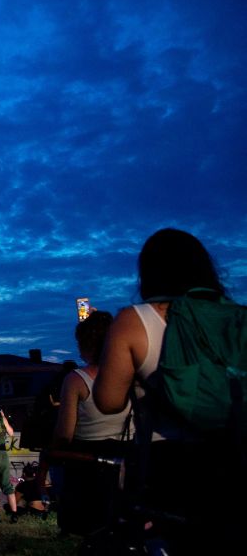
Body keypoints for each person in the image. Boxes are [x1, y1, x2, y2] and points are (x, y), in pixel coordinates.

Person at [93, 228, 240, 550]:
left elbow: (108, 401)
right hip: (232, 453)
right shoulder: (234, 318)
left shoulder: (135, 320)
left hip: (168, 463)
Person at [52, 310, 130, 536]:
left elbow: (64, 433)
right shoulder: (131, 377)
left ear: (85, 344)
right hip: (125, 462)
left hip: (87, 466)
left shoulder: (76, 380)